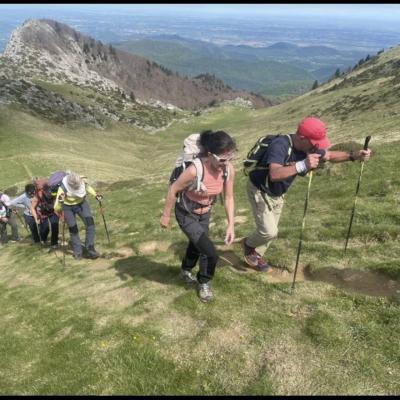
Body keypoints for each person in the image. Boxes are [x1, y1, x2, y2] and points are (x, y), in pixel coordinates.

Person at [241, 116, 372, 271]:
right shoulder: (280, 145)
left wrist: (353, 155)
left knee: (271, 232)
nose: (317, 146)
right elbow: (274, 174)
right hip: (260, 189)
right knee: (269, 231)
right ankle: (248, 245)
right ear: (302, 138)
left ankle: (256, 254)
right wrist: (302, 165)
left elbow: (329, 155)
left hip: (278, 193)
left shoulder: (308, 147)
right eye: (315, 142)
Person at [160, 130, 236, 303]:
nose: (227, 163)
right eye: (223, 159)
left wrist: (231, 224)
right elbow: (173, 189)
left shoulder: (228, 170)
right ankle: (204, 282)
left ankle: (186, 270)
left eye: (230, 158)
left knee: (197, 245)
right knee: (210, 253)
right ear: (210, 155)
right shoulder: (194, 170)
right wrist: (166, 215)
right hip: (186, 213)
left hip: (205, 212)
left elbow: (229, 197)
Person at [53, 171, 102, 260]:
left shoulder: (80, 180)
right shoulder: (62, 188)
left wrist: (96, 195)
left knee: (90, 224)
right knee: (73, 229)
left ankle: (90, 249)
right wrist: (60, 203)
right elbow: (56, 207)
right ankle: (77, 253)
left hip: (81, 204)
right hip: (67, 208)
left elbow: (88, 187)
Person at [30, 183, 60, 251]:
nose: (49, 196)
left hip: (53, 211)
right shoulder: (38, 196)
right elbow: (32, 208)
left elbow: (59, 204)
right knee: (45, 229)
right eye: (48, 194)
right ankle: (43, 239)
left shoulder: (54, 193)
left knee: (55, 226)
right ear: (44, 192)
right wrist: (36, 218)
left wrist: (61, 215)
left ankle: (54, 243)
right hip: (42, 213)